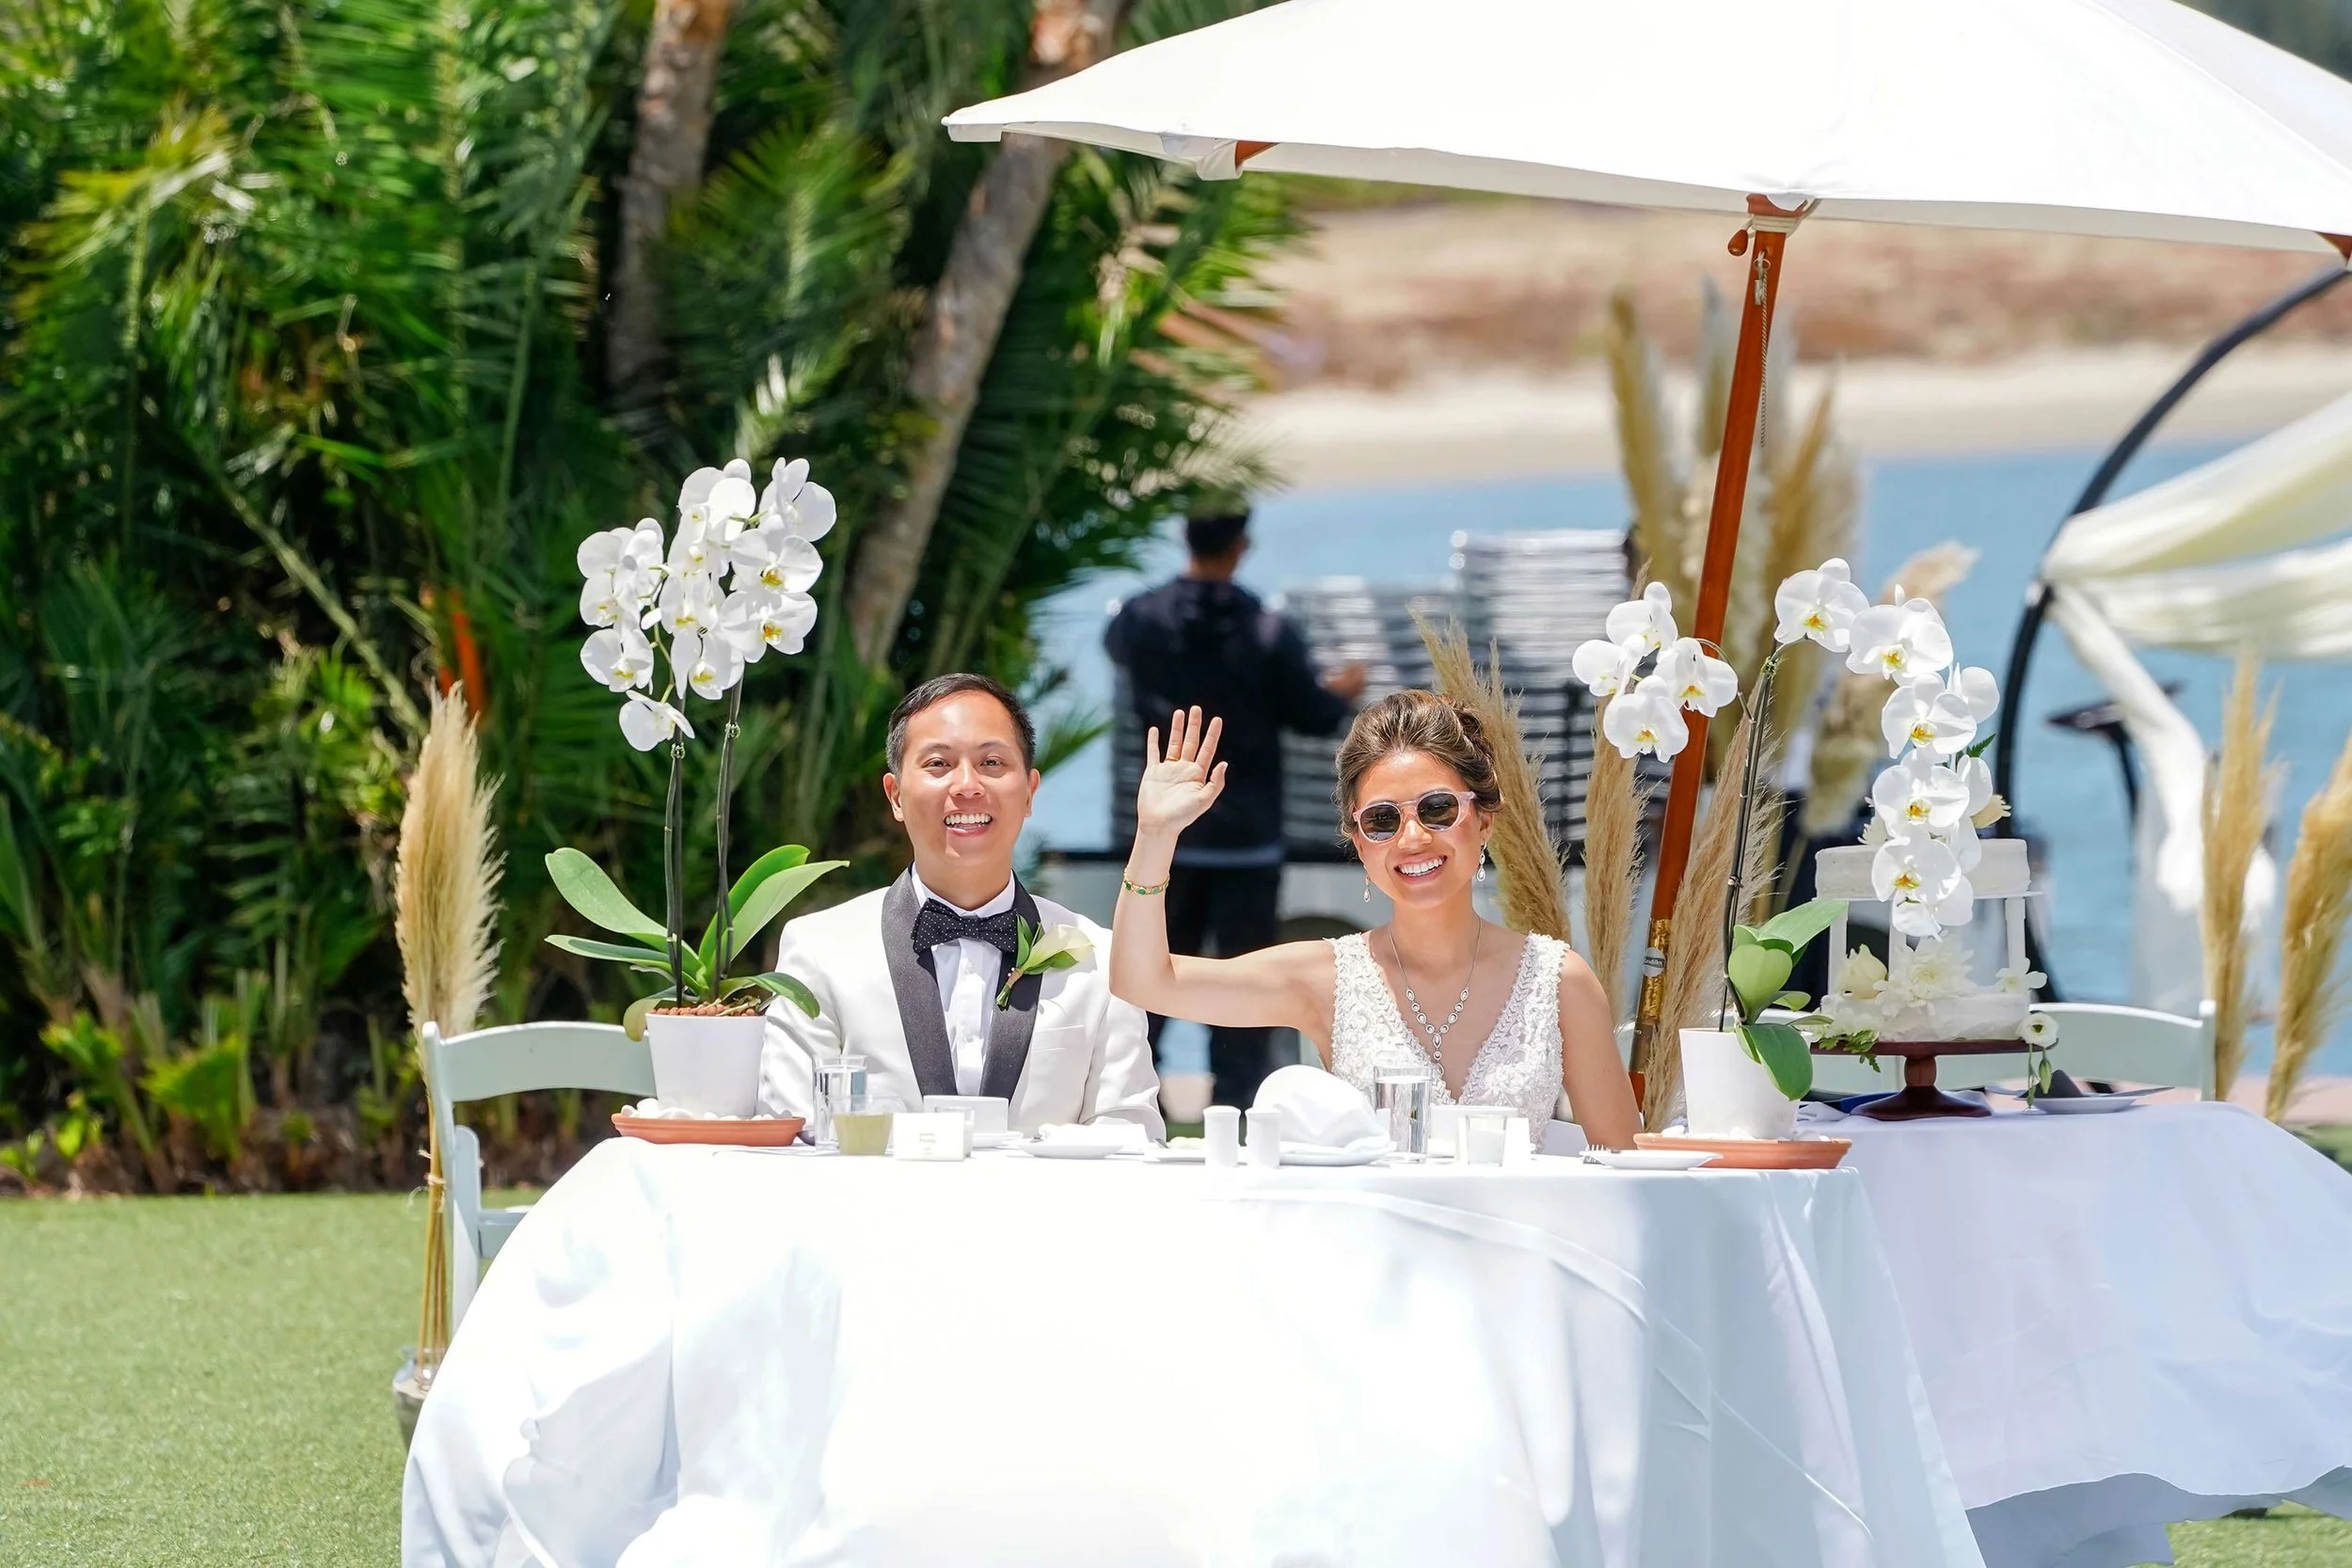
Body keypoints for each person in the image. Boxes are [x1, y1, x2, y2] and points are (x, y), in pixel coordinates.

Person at [1108, 693, 1638, 1147]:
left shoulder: (1559, 981)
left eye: (1437, 810)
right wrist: (1156, 835)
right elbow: (1144, 981)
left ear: (1483, 820)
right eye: (1383, 820)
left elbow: (1624, 1172)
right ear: (1359, 844)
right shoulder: (1325, 979)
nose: (1412, 838)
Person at [760, 673, 1165, 1138]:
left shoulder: (1101, 958)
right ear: (895, 795)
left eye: (992, 762)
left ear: (1030, 791)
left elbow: (1131, 1134)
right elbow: (793, 1131)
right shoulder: (818, 949)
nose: (967, 785)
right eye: (938, 764)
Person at [1103, 508, 1368, 1107]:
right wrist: (1341, 693)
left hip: (1171, 834)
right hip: (1246, 838)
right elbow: (1313, 714)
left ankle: (1133, 1103)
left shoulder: (1139, 621)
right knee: (1246, 992)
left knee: (1148, 988)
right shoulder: (1266, 630)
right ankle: (1237, 1112)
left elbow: (1117, 654)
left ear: (1184, 537)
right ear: (1242, 546)